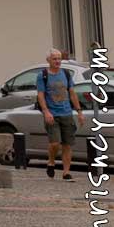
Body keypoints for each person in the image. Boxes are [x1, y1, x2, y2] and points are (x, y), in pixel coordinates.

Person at [36, 48, 84, 179]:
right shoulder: (43, 75)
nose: (57, 61)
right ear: (48, 60)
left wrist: (79, 111)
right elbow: (40, 95)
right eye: (54, 59)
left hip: (66, 113)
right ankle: (51, 161)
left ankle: (66, 172)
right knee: (55, 143)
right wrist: (46, 112)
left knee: (67, 144)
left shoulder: (66, 74)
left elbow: (72, 93)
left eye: (59, 58)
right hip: (52, 113)